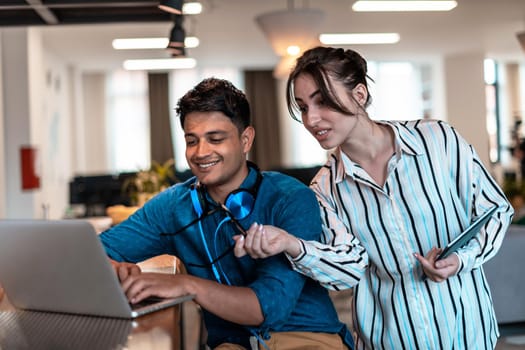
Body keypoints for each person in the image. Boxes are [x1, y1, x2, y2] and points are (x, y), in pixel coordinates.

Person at [234, 46, 514, 349]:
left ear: (360, 95)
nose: (311, 119)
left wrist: (461, 259)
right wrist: (291, 244)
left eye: (322, 101)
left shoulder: (439, 141)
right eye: (302, 107)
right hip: (391, 341)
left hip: (468, 333)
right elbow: (348, 268)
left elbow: (496, 210)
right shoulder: (324, 188)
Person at [99, 77, 353, 350]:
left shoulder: (291, 198)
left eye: (215, 139)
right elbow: (94, 252)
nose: (200, 152)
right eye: (191, 140)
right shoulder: (174, 205)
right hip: (234, 344)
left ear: (246, 140)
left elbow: (268, 309)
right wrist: (116, 269)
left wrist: (187, 285)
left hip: (307, 337)